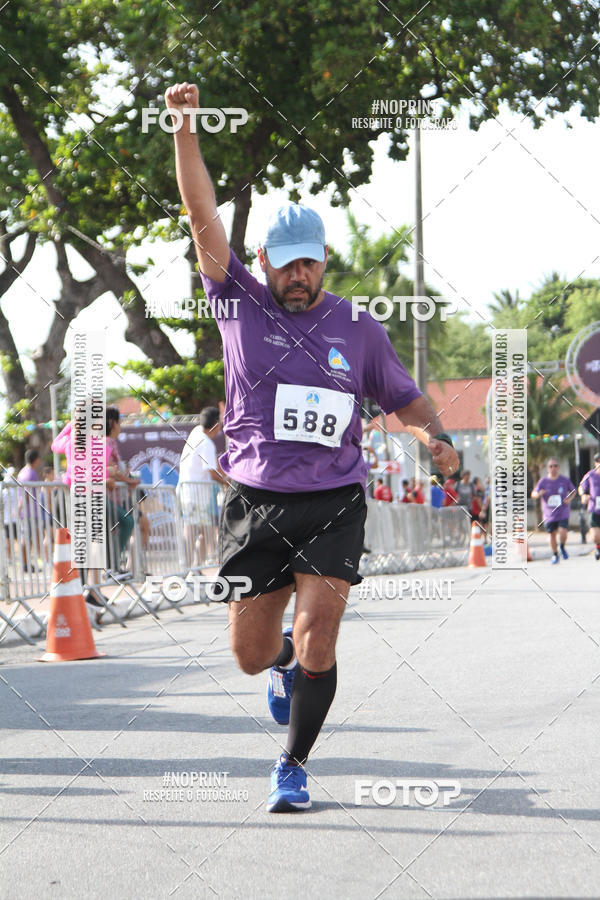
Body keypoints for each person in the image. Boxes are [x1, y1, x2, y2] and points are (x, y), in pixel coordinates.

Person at [166, 80, 459, 813]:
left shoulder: (358, 326)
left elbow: (406, 399)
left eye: (311, 263)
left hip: (333, 501)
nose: (299, 276)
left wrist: (437, 437)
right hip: (254, 501)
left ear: (325, 260)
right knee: (250, 653)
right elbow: (201, 216)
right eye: (286, 263)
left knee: (322, 638)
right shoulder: (236, 299)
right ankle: (281, 664)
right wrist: (184, 130)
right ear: (262, 260)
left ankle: (292, 765)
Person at [178, 407, 228, 567]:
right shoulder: (206, 442)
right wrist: (229, 483)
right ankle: (189, 567)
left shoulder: (196, 433)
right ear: (215, 425)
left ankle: (194, 567)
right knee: (195, 531)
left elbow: (214, 468)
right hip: (196, 495)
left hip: (191, 493)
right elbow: (213, 473)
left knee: (201, 531)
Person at [531, 458, 575, 564]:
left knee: (563, 532)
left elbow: (573, 491)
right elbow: (533, 494)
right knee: (552, 535)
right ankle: (555, 554)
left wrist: (569, 499)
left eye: (555, 466)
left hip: (563, 511)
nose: (553, 468)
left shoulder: (564, 480)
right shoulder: (543, 481)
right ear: (547, 469)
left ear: (558, 468)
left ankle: (562, 546)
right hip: (549, 514)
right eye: (550, 466)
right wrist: (538, 494)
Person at [579, 451, 600, 560]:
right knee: (595, 536)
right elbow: (581, 487)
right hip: (594, 509)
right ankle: (598, 546)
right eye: (598, 460)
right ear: (595, 463)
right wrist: (583, 495)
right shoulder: (590, 475)